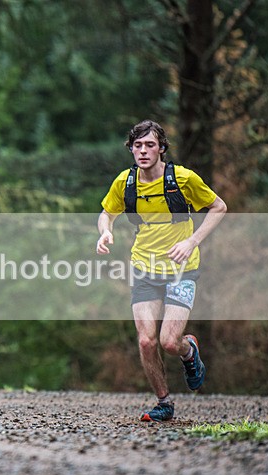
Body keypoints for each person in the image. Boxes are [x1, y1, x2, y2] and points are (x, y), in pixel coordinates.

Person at [96, 119, 227, 422]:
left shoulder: (182, 179)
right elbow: (107, 214)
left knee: (169, 342)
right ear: (131, 148)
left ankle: (188, 351)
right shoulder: (125, 183)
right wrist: (105, 232)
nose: (143, 151)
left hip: (182, 269)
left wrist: (192, 241)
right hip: (144, 267)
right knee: (146, 340)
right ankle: (164, 402)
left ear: (162, 149)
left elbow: (218, 207)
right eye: (138, 145)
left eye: (150, 145)